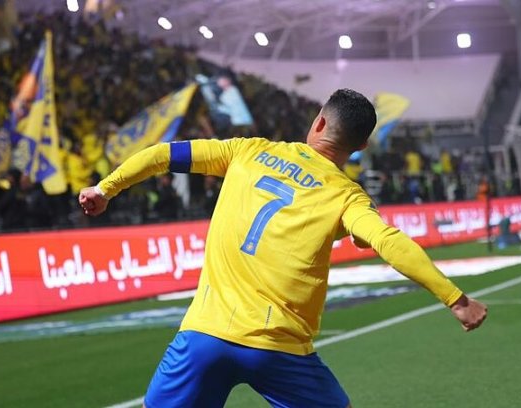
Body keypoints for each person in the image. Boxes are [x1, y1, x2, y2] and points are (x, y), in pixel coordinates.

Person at [79, 89, 487, 408]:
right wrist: (456, 299)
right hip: (278, 349)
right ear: (360, 147)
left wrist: (105, 188)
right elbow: (389, 242)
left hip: (204, 336)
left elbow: (166, 155)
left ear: (319, 121)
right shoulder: (347, 197)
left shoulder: (248, 150)